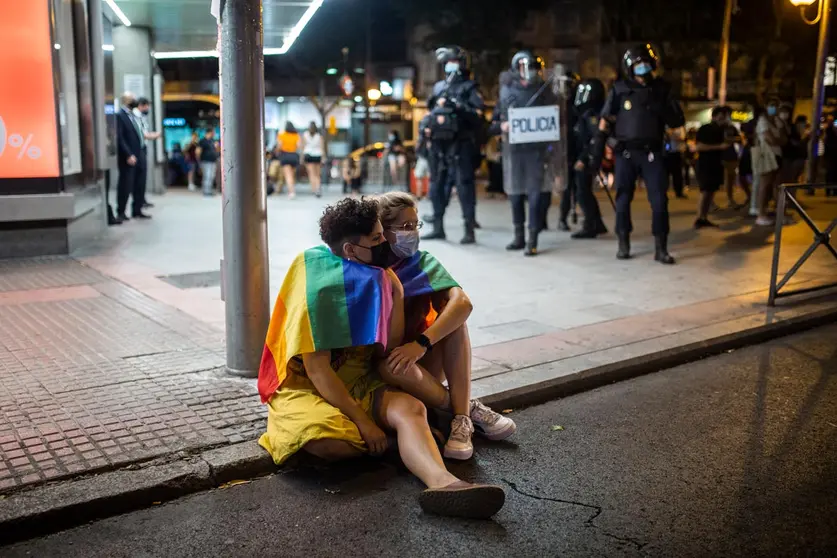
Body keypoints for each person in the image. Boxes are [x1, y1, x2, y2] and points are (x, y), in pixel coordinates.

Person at [258, 198, 506, 519]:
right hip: (313, 386)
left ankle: (444, 483)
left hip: (362, 378)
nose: (385, 244)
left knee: (410, 408)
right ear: (350, 249)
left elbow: (387, 349)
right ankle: (397, 440)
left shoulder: (381, 276)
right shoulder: (315, 284)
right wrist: (364, 423)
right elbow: (318, 371)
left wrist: (396, 293)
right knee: (324, 442)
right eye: (377, 239)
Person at [374, 192, 517, 459]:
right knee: (392, 365)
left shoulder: (421, 262)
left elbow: (463, 303)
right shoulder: (368, 268)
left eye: (416, 225)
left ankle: (461, 422)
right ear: (383, 231)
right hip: (381, 370)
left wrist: (420, 345)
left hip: (419, 359)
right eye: (405, 227)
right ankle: (465, 408)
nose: (413, 233)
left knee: (454, 323)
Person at [591, 44, 685, 264]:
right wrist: (598, 148)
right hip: (626, 153)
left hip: (653, 152)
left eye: (646, 63)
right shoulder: (619, 88)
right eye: (637, 64)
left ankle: (661, 248)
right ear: (629, 67)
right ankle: (623, 242)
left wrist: (663, 107)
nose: (642, 67)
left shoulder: (662, 89)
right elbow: (605, 120)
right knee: (623, 199)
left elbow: (677, 121)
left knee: (660, 201)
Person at [489, 51, 556, 255]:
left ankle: (532, 238)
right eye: (526, 67)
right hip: (515, 152)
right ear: (516, 69)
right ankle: (519, 236)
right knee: (516, 195)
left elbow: (555, 118)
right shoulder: (506, 93)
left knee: (535, 195)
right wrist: (503, 125)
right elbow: (493, 123)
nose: (530, 71)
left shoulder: (544, 92)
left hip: (536, 152)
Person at [422, 46, 486, 245]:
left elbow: (478, 116)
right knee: (437, 186)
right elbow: (431, 112)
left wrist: (457, 105)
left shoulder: (469, 87)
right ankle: (438, 226)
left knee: (464, 186)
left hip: (461, 144)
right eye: (448, 63)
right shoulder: (439, 87)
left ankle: (469, 228)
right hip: (439, 145)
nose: (450, 66)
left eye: (454, 62)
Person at [568, 78, 608, 239]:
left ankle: (591, 224)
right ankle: (596, 223)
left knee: (583, 193)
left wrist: (584, 159)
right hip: (582, 156)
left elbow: (593, 140)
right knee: (583, 191)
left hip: (587, 158)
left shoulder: (593, 116)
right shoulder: (584, 114)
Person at [693, 107, 729, 228]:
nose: (725, 119)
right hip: (706, 164)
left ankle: (704, 217)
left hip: (716, 164)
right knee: (705, 191)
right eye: (723, 116)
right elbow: (699, 147)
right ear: (716, 116)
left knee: (711, 192)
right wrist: (719, 146)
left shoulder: (722, 130)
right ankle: (699, 218)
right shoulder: (706, 129)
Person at [115, 92, 148, 222]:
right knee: (126, 184)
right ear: (126, 101)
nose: (135, 100)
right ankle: (121, 211)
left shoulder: (134, 115)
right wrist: (128, 154)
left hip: (140, 152)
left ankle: (137, 209)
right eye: (133, 99)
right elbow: (120, 137)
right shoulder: (120, 116)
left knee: (140, 182)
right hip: (129, 156)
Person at [754, 99, 787, 226]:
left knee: (776, 185)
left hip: (777, 154)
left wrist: (778, 140)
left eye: (776, 106)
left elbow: (784, 139)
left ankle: (774, 212)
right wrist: (778, 140)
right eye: (772, 105)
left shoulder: (778, 121)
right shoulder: (763, 121)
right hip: (766, 155)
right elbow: (770, 139)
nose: (774, 108)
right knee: (765, 185)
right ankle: (761, 214)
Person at [134, 97, 161, 211]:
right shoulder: (135, 116)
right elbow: (142, 134)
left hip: (142, 148)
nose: (148, 108)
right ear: (141, 105)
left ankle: (141, 201)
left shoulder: (141, 117)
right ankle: (137, 205)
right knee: (138, 179)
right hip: (137, 150)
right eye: (146, 106)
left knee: (142, 178)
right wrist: (153, 135)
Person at [277, 122, 301, 199]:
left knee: (288, 175)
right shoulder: (296, 135)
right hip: (294, 155)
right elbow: (298, 146)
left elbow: (279, 146)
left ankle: (291, 192)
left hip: (285, 155)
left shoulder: (282, 135)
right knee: (292, 175)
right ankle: (292, 190)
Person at [302, 122, 324, 198]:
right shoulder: (319, 136)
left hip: (308, 155)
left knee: (311, 174)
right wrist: (323, 157)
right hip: (317, 155)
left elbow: (303, 146)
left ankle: (314, 189)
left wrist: (302, 157)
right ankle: (318, 188)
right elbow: (322, 147)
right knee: (317, 174)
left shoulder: (305, 135)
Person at [196, 128, 219, 197]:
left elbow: (217, 150)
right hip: (205, 161)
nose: (214, 134)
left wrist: (217, 147)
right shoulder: (202, 141)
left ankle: (209, 190)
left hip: (213, 161)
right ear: (209, 132)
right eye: (213, 132)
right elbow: (198, 151)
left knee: (211, 176)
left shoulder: (213, 140)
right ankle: (206, 191)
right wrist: (199, 161)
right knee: (207, 176)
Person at [665, 129, 687, 199]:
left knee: (677, 174)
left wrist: (672, 134)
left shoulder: (679, 128)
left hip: (676, 153)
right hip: (666, 153)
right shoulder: (664, 126)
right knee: (664, 174)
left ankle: (679, 192)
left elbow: (682, 138)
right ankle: (663, 192)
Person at [823, 112, 837, 196]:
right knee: (830, 173)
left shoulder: (831, 130)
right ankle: (828, 190)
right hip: (831, 155)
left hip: (832, 154)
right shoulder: (829, 130)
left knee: (833, 173)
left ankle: (833, 190)